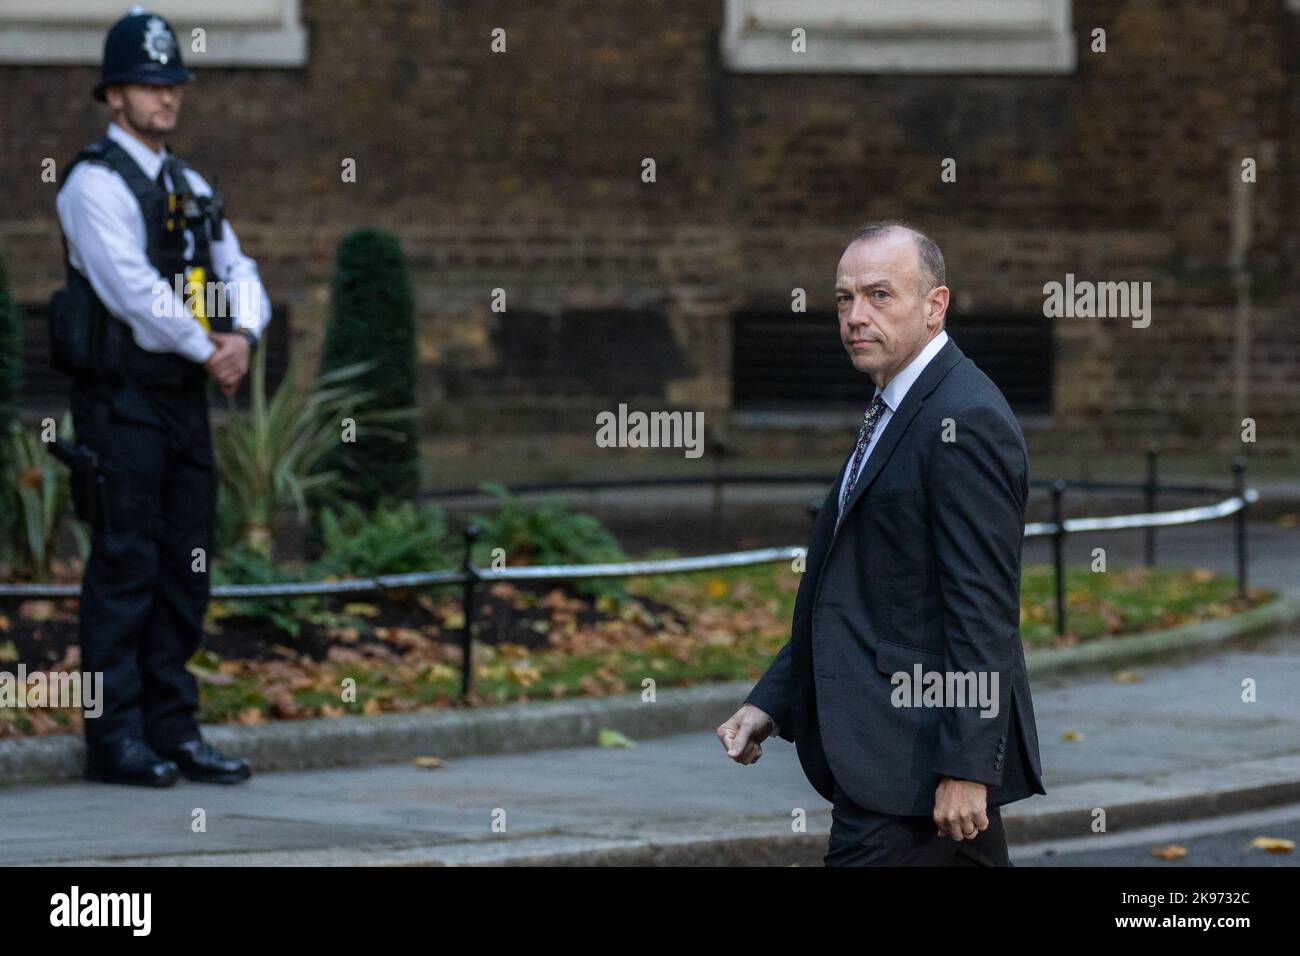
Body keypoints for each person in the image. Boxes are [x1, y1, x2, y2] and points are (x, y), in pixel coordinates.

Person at [717, 221, 1045, 865]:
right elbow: (858, 588)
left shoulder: (964, 418)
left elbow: (983, 610)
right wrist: (771, 700)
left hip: (913, 759)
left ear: (934, 305)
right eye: (844, 299)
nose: (855, 317)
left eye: (879, 296)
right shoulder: (898, 404)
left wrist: (967, 768)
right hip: (893, 754)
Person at [53, 8, 269, 786]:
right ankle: (115, 738)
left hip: (184, 398)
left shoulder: (192, 184)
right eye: (148, 85)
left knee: (186, 565)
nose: (165, 98)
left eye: (172, 83)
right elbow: (134, 293)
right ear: (114, 95)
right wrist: (210, 348)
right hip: (123, 403)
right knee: (124, 565)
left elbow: (238, 268)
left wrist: (240, 333)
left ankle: (173, 728)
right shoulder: (91, 185)